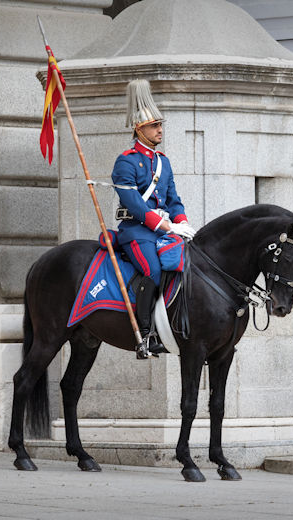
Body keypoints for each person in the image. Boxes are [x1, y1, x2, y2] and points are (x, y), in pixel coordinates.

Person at [112, 79, 195, 357]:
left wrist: (181, 222)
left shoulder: (164, 161)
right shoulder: (126, 160)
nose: (160, 130)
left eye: (161, 125)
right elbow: (133, 203)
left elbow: (173, 198)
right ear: (140, 128)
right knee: (154, 271)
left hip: (164, 230)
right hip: (137, 231)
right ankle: (145, 336)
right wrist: (163, 224)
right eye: (154, 126)